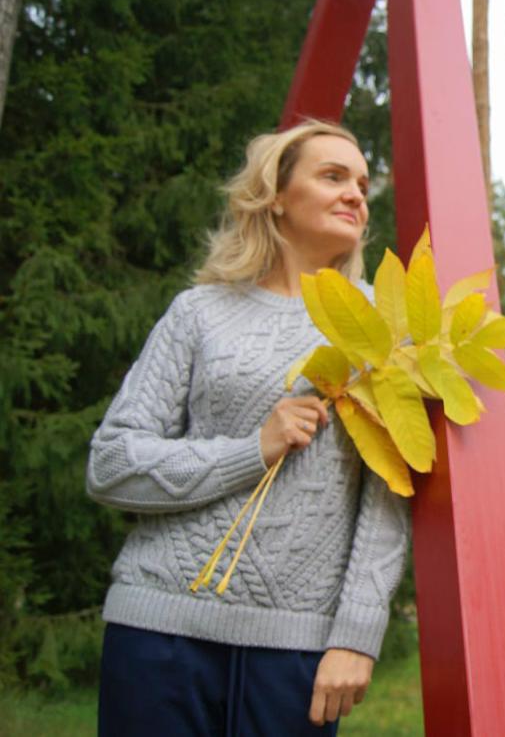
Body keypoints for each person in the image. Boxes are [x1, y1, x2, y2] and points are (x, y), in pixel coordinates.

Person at [87, 120, 409, 735]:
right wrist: (251, 449)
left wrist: (357, 636)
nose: (356, 195)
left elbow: (387, 502)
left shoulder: (384, 330)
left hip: (296, 650)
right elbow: (111, 464)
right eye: (333, 176)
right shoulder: (199, 313)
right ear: (277, 196)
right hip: (157, 628)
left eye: (363, 185)